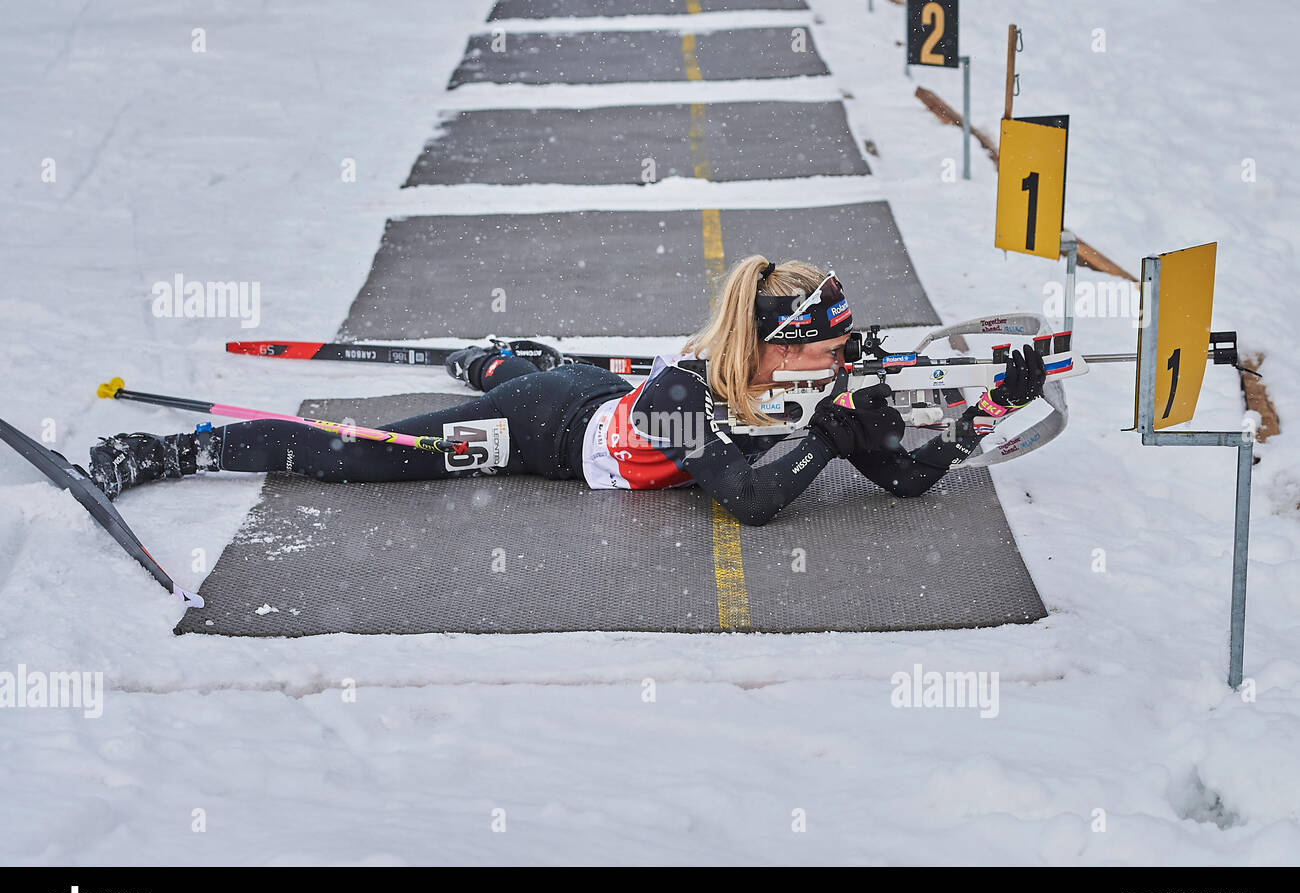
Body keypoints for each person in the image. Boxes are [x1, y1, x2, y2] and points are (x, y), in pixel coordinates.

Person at [88, 255, 1045, 526]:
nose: (839, 366)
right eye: (825, 350)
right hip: (546, 433)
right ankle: (171, 452)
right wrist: (831, 439)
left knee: (537, 364)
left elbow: (912, 479)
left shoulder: (805, 389)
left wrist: (992, 409)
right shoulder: (683, 394)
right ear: (770, 349)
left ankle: (491, 354)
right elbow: (749, 502)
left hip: (584, 384)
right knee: (370, 454)